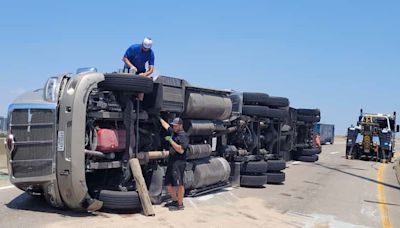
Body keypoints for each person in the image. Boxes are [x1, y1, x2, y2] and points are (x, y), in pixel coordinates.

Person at [159, 117, 189, 210]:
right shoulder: (173, 132)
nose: (174, 127)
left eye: (176, 126)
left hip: (179, 162)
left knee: (179, 183)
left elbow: (180, 150)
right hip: (172, 161)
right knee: (168, 183)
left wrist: (171, 141)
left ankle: (180, 205)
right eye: (173, 126)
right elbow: (166, 126)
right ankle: (175, 201)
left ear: (181, 125)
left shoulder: (183, 136)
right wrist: (159, 117)